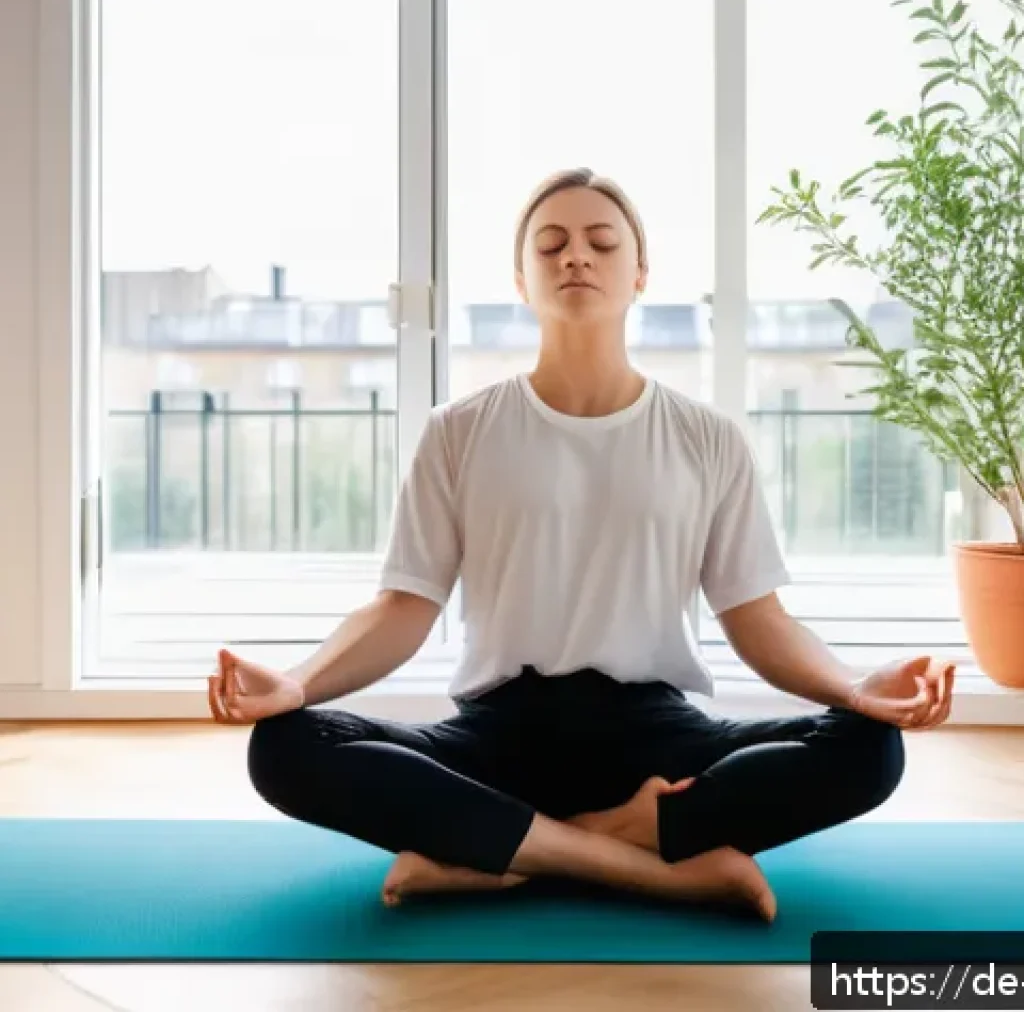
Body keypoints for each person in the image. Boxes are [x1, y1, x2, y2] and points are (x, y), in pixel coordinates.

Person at [208, 168, 955, 923]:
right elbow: (404, 607)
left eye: (602, 243)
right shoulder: (458, 431)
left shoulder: (708, 438)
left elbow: (758, 620)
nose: (576, 258)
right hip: (495, 738)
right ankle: (645, 863)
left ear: (639, 275)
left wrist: (856, 690)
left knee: (869, 749)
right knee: (284, 747)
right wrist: (297, 685)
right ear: (522, 280)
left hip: (655, 739)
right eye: (551, 245)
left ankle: (504, 853)